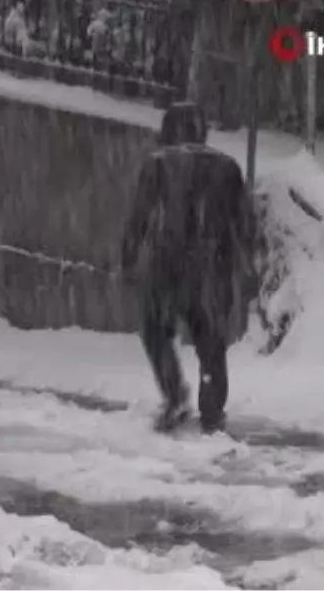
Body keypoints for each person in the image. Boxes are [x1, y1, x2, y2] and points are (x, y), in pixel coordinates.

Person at [120, 102, 256, 434]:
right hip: (214, 267)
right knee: (211, 342)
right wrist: (249, 260)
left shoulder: (158, 164)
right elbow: (246, 224)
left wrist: (128, 258)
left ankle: (174, 394)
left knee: (155, 331)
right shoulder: (228, 168)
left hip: (168, 264)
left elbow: (140, 218)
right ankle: (212, 411)